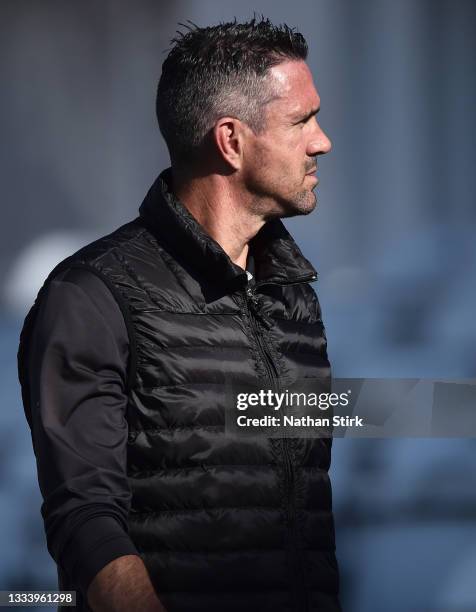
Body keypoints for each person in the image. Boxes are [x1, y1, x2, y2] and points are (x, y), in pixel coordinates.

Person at [18, 17, 340, 612]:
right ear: (230, 140)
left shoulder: (288, 292)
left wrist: (455, 410)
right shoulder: (91, 296)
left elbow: (272, 420)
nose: (321, 141)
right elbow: (85, 517)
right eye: (301, 121)